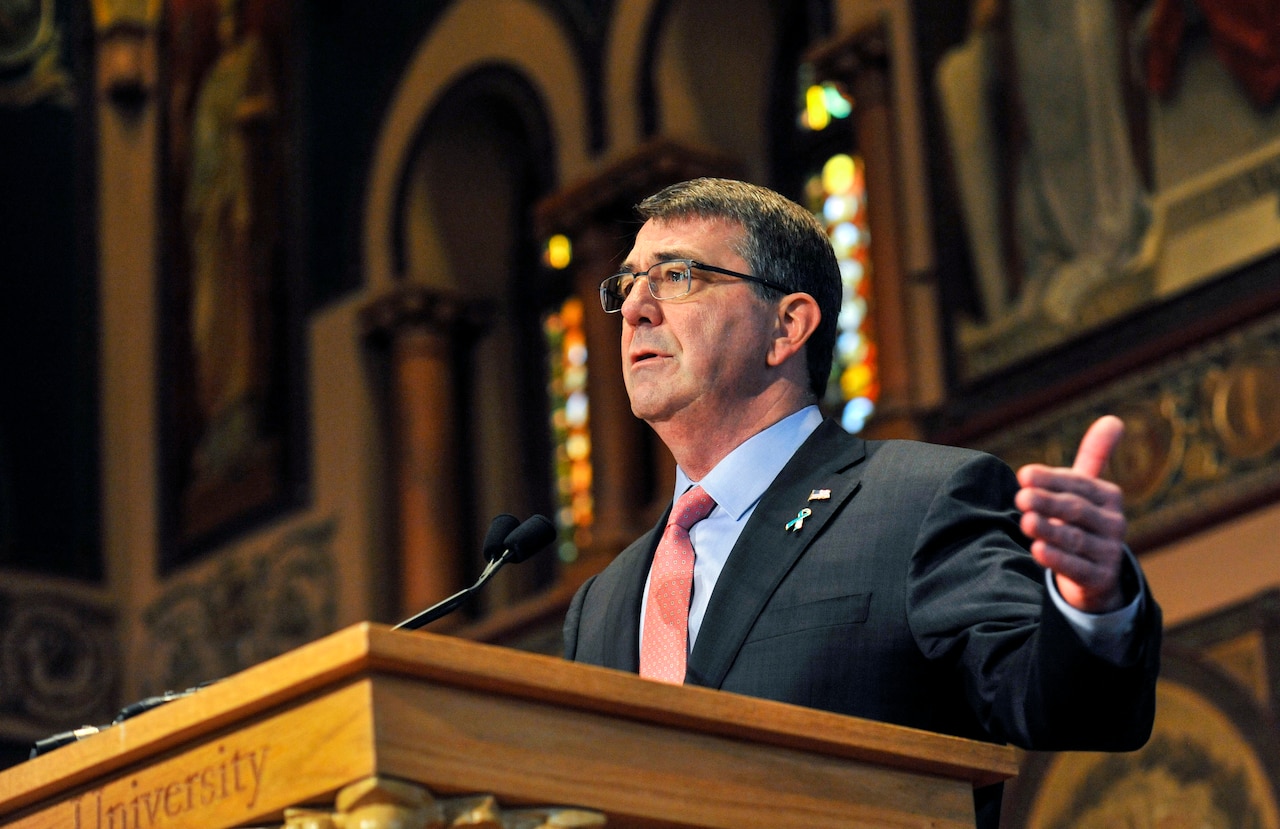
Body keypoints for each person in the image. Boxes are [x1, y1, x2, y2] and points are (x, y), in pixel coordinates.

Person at [562, 178, 1161, 828]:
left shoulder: (918, 502)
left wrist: (1091, 603)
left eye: (676, 276)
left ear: (787, 325)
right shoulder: (602, 604)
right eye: (626, 286)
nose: (637, 309)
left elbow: (1056, 704)